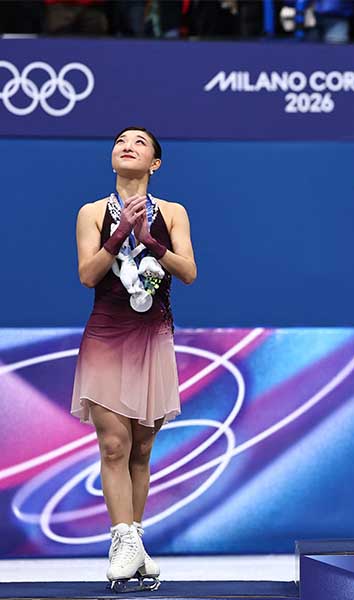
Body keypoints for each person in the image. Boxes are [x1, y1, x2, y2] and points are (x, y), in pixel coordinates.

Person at [72, 126, 197, 590]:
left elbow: (189, 272)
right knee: (113, 445)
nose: (127, 145)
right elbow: (88, 274)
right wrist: (121, 232)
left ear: (155, 164)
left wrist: (150, 239)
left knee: (141, 449)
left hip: (153, 337)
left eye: (140, 143)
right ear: (112, 159)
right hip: (106, 335)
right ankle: (121, 539)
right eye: (121, 141)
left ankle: (136, 540)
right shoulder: (90, 212)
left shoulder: (173, 212)